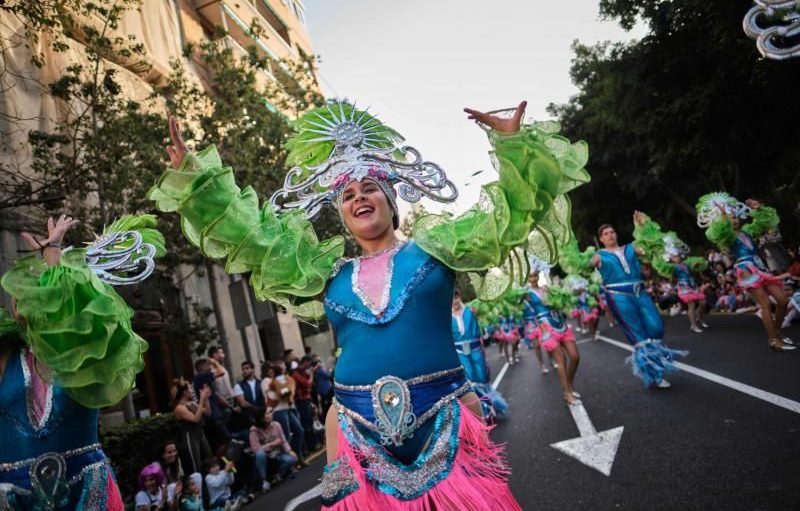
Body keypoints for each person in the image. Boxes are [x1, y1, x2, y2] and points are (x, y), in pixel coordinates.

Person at [151, 100, 591, 508]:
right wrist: (198, 179)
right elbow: (254, 238)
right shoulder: (326, 274)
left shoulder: (436, 249)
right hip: (353, 430)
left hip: (447, 415)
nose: (358, 197)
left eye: (369, 188)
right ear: (341, 213)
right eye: (347, 195)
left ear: (391, 202)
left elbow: (509, 219)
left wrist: (513, 146)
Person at [0, 214, 164, 510]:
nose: (22, 296)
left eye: (38, 287)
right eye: (20, 291)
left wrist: (54, 256)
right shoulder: (6, 358)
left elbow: (69, 311)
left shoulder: (89, 353)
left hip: (87, 494)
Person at [568, 215, 687, 388]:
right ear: (601, 239)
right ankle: (655, 374)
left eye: (612, 232)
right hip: (618, 297)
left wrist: (643, 227)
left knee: (656, 328)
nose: (610, 235)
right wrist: (574, 254)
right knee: (639, 336)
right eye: (606, 233)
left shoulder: (631, 247)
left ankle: (654, 362)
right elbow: (584, 264)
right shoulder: (598, 255)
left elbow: (648, 246)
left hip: (640, 292)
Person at [697, 193, 795, 352]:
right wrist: (722, 216)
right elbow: (717, 233)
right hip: (745, 269)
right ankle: (774, 340)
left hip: (760, 267)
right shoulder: (727, 237)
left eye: (735, 216)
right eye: (730, 217)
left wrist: (759, 208)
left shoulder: (747, 230)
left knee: (782, 300)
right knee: (766, 305)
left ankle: (778, 333)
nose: (734, 219)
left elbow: (765, 222)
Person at [632, 211, 710, 333]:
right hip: (684, 286)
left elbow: (697, 266)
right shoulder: (673, 268)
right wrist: (640, 224)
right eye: (673, 256)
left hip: (692, 284)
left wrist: (698, 266)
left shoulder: (687, 263)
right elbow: (669, 275)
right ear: (670, 258)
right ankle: (693, 325)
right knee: (691, 305)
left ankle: (700, 318)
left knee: (703, 302)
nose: (676, 257)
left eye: (677, 255)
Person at [524, 270, 582, 405]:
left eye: (535, 275)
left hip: (560, 323)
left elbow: (560, 302)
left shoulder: (547, 288)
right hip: (546, 327)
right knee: (561, 360)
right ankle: (567, 393)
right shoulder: (526, 294)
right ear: (527, 278)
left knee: (575, 356)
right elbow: (514, 302)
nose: (533, 278)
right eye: (530, 276)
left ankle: (569, 384)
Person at [452, 290, 509, 419]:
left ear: (459, 297)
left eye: (455, 297)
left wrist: (479, 313)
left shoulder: (471, 309)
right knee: (470, 380)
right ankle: (483, 410)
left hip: (476, 349)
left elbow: (488, 315)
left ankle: (492, 406)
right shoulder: (447, 317)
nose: (454, 301)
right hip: (460, 352)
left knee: (482, 377)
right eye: (451, 299)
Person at [249, 407, 298, 491]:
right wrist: (272, 444)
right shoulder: (254, 431)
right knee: (260, 454)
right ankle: (264, 480)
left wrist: (289, 451)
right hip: (265, 457)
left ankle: (278, 474)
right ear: (262, 418)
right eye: (268, 413)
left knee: (292, 459)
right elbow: (256, 449)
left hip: (277, 454)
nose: (271, 414)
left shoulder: (276, 425)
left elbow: (283, 440)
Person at [266, 361, 305, 462]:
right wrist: (283, 394)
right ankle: (290, 461)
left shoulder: (286, 379)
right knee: (286, 436)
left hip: (288, 408)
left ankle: (297, 455)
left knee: (299, 431)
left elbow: (290, 390)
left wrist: (288, 394)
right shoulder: (270, 382)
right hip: (278, 410)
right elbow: (271, 398)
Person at [173, 378, 214, 474]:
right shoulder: (180, 408)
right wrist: (201, 401)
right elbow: (195, 419)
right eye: (190, 389)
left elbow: (207, 413)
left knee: (210, 458)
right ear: (184, 392)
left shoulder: (191, 403)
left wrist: (206, 399)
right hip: (190, 437)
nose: (192, 391)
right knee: (197, 464)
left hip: (200, 434)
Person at [159, 441, 203, 510]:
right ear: (163, 455)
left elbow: (181, 477)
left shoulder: (177, 461)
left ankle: (200, 505)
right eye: (169, 452)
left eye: (174, 451)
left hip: (180, 487)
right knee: (172, 486)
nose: (173, 454)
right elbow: (163, 486)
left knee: (197, 476)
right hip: (168, 493)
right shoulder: (159, 467)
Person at [291, 355, 319, 453]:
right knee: (306, 422)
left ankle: (313, 444)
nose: (310, 366)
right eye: (309, 364)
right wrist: (311, 374)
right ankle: (311, 446)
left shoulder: (302, 372)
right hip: (301, 400)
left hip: (306, 399)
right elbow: (307, 383)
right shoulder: (296, 373)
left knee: (310, 420)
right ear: (305, 362)